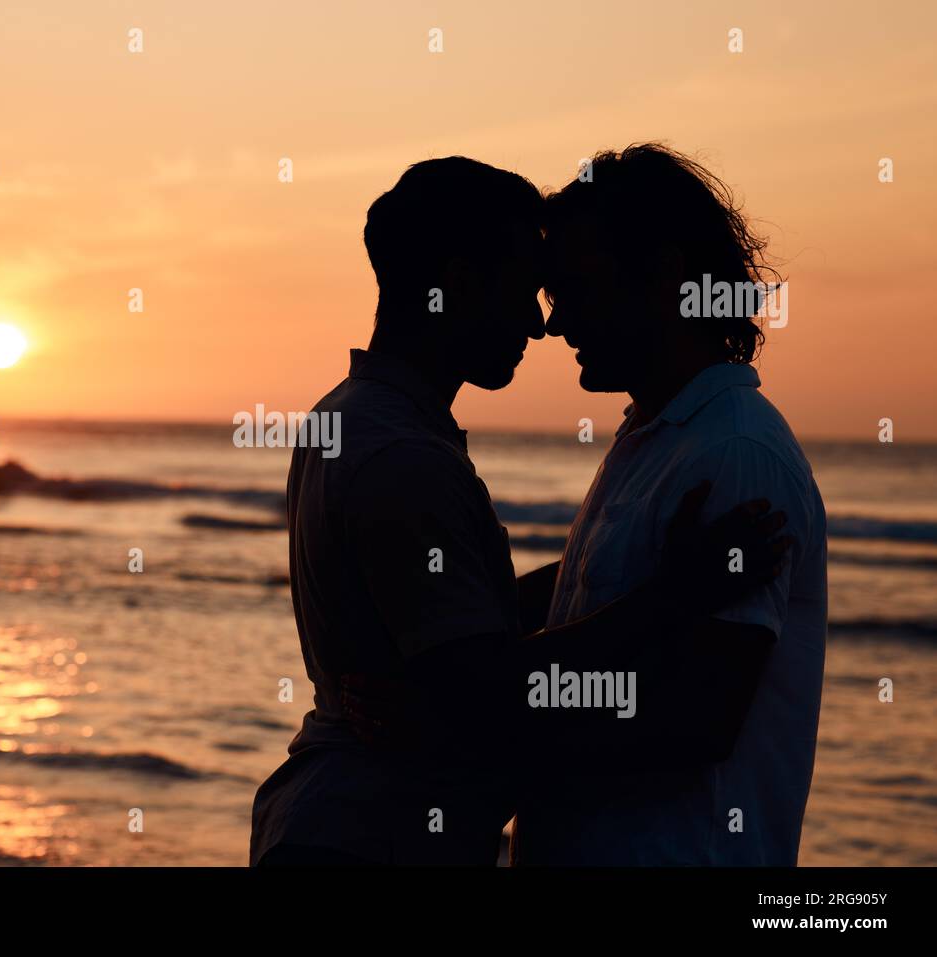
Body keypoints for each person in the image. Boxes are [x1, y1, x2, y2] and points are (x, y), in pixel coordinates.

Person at [249, 156, 790, 867]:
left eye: (564, 291)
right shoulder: (404, 455)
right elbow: (483, 683)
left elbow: (470, 623)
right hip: (374, 835)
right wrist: (669, 595)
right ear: (462, 282)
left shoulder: (352, 419)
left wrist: (630, 575)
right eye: (527, 288)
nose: (543, 324)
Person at [511, 143, 828, 866]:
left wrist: (484, 722)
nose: (556, 325)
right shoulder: (654, 435)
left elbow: (694, 724)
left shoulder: (735, 453)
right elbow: (583, 601)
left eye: (575, 291)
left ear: (662, 277)